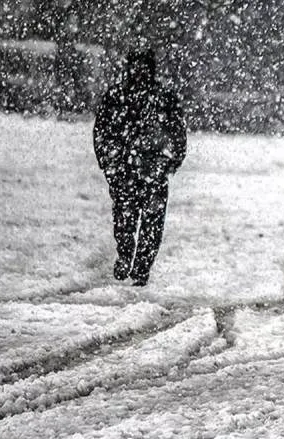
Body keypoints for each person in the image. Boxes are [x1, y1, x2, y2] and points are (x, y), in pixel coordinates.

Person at [93, 48, 187, 286]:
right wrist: (170, 162)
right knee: (147, 223)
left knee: (129, 219)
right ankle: (137, 265)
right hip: (146, 170)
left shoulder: (118, 96)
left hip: (132, 169)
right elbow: (178, 134)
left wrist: (109, 162)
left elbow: (101, 132)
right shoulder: (160, 97)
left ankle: (130, 259)